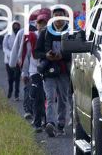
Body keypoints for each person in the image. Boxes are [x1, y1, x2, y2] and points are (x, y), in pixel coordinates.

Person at [36, 7, 72, 137]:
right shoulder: (45, 32)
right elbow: (36, 52)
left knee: (62, 99)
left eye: (60, 15)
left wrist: (62, 56)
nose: (58, 18)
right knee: (50, 98)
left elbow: (75, 51)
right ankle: (50, 123)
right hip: (49, 70)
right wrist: (46, 55)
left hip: (64, 71)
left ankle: (60, 124)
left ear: (65, 17)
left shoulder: (70, 32)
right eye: (55, 15)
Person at [9, 12, 40, 121]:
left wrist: (13, 64)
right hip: (27, 65)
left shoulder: (25, 32)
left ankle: (31, 111)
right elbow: (17, 49)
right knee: (31, 88)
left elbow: (15, 49)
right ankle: (29, 111)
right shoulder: (24, 32)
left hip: (28, 65)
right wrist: (13, 64)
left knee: (30, 89)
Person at [3, 21, 21, 100]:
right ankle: (10, 91)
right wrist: (11, 54)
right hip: (8, 60)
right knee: (10, 78)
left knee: (17, 77)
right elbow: (4, 47)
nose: (16, 28)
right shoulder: (7, 36)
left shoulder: (21, 35)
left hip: (18, 60)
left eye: (17, 26)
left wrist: (18, 55)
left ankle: (16, 94)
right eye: (15, 26)